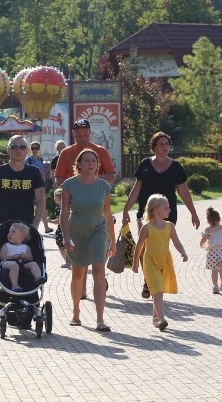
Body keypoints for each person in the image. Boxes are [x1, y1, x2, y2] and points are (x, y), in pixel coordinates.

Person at [121, 131, 200, 299]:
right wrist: (127, 209)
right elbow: (137, 188)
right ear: (154, 147)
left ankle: (156, 280)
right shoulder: (145, 165)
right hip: (146, 213)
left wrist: (193, 212)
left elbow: (184, 191)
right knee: (144, 247)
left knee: (160, 248)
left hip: (166, 214)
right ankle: (149, 281)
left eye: (167, 144)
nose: (165, 147)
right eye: (161, 144)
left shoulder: (176, 167)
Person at [60, 148, 116, 332]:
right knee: (78, 273)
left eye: (93, 160)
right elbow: (64, 212)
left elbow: (107, 213)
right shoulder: (69, 184)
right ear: (79, 165)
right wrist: (66, 237)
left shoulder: (104, 186)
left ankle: (100, 319)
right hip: (77, 230)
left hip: (99, 230)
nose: (90, 163)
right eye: (86, 160)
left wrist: (113, 240)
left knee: (99, 270)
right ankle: (76, 312)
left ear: (97, 165)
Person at [131, 194, 187, 331]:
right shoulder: (146, 228)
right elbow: (139, 247)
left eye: (169, 207)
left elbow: (176, 241)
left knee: (158, 290)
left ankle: (155, 319)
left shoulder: (170, 226)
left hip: (165, 261)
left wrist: (183, 252)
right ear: (156, 210)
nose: (170, 210)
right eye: (166, 207)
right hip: (150, 262)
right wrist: (135, 263)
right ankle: (161, 319)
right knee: (158, 290)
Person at [0, 134, 46, 229]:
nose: (18, 150)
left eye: (22, 147)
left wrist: (35, 225)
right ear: (8, 150)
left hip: (27, 226)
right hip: (3, 226)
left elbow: (41, 200)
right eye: (14, 147)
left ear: (27, 150)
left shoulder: (34, 172)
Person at [54, 119, 116, 187]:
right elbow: (58, 180)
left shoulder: (101, 151)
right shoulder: (66, 153)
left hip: (96, 193)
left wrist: (90, 179)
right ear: (73, 133)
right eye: (79, 136)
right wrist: (77, 182)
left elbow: (112, 177)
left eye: (85, 135)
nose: (82, 139)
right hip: (74, 194)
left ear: (90, 133)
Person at [0, 222, 44, 292]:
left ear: (21, 237)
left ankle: (38, 278)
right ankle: (15, 285)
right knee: (14, 265)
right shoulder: (6, 245)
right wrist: (10, 257)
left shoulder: (26, 247)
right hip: (8, 263)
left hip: (22, 263)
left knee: (33, 264)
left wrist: (25, 256)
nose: (9, 233)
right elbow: (1, 256)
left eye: (13, 232)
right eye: (9, 232)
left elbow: (31, 258)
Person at [200, 207, 222, 294]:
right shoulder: (221, 227)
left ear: (208, 220)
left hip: (212, 253)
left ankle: (215, 286)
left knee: (214, 271)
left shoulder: (207, 230)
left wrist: (201, 244)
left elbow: (204, 239)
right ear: (219, 219)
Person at [24, 142, 50, 232]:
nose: (34, 150)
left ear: (39, 149)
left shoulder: (41, 160)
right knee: (30, 205)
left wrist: (43, 184)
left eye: (36, 148)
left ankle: (46, 227)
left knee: (42, 205)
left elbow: (42, 173)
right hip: (30, 185)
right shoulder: (28, 160)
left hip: (40, 184)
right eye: (33, 148)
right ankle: (32, 226)